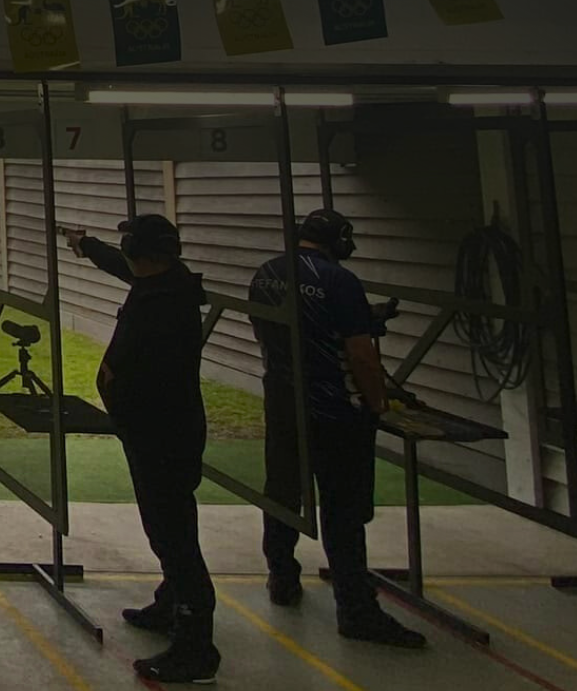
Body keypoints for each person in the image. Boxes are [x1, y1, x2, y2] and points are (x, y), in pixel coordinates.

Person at [249, 208, 426, 649]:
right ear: (338, 240)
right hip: (333, 409)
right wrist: (379, 403)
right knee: (343, 511)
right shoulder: (340, 281)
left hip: (283, 402)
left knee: (283, 491)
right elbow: (362, 355)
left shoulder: (267, 272)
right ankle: (356, 608)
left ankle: (282, 576)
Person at [66, 217, 219, 683]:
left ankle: (196, 647)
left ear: (140, 247)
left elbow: (136, 370)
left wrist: (117, 396)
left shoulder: (159, 304)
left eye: (127, 241)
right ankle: (170, 601)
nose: (123, 247)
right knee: (169, 528)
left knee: (174, 537)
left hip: (160, 433)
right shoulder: (169, 284)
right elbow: (121, 266)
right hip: (163, 430)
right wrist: (86, 246)